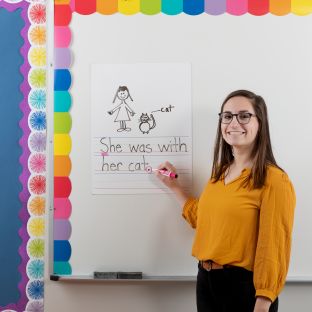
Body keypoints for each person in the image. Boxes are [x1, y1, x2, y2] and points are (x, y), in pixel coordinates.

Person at [156, 90, 296, 312]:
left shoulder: (274, 180)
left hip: (244, 288)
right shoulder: (219, 175)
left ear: (260, 123)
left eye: (244, 116)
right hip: (206, 281)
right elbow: (201, 219)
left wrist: (264, 300)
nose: (233, 122)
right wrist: (174, 186)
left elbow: (274, 246)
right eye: (227, 116)